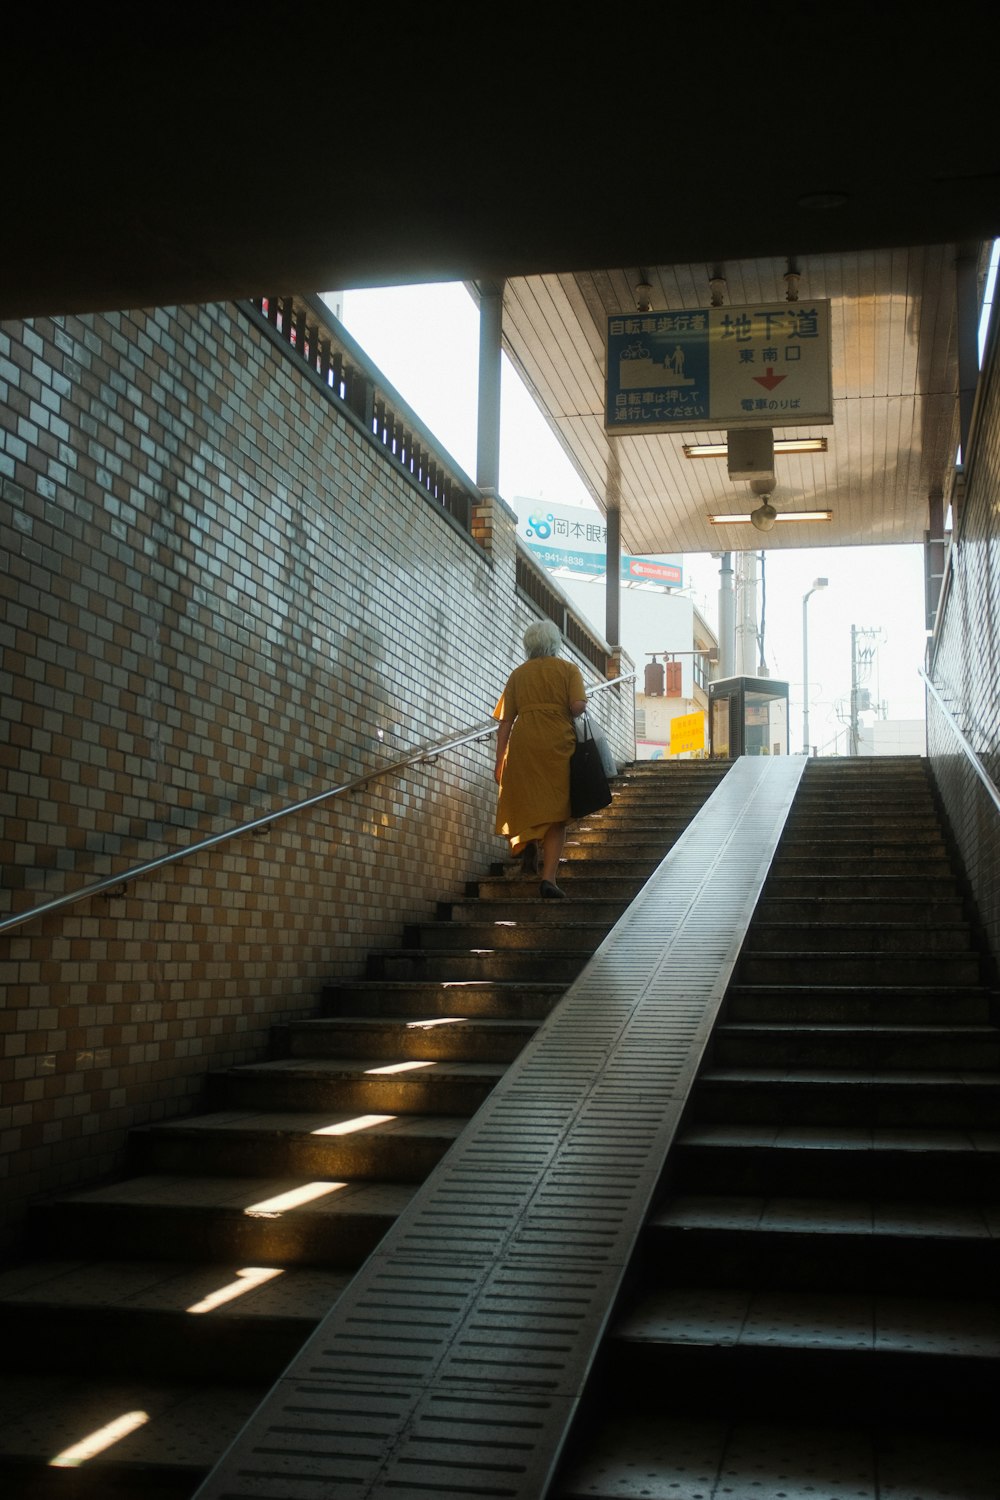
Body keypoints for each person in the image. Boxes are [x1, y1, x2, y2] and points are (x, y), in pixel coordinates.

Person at [493, 620, 587, 899]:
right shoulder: (569, 670)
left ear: (529, 644)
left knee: (528, 800)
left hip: (524, 744)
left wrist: (500, 761)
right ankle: (548, 879)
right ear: (555, 642)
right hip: (558, 744)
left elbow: (505, 722)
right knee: (557, 812)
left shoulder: (518, 675)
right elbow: (577, 707)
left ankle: (529, 842)